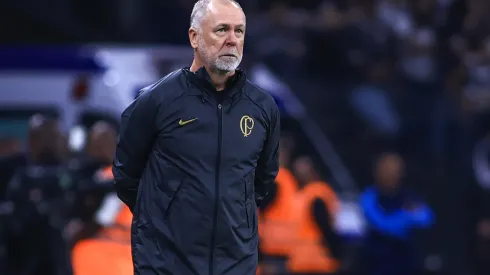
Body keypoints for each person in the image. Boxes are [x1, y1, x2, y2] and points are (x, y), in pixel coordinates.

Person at [112, 0, 280, 274]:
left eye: (239, 31)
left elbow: (262, 180)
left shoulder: (262, 107)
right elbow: (126, 176)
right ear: (194, 36)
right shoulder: (156, 100)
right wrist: (164, 218)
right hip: (166, 263)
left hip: (234, 263)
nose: (231, 40)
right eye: (221, 30)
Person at [359, 152, 434, 275]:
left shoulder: (409, 196)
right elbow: (383, 224)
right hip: (379, 264)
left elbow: (427, 218)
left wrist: (404, 220)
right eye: (387, 169)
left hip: (407, 265)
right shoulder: (369, 197)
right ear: (377, 172)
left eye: (396, 170)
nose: (392, 174)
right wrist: (406, 218)